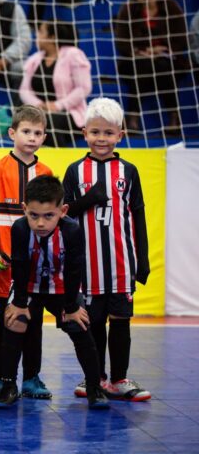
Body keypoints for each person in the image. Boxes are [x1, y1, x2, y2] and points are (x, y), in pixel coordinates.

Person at [0, 175, 109, 409]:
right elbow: (20, 266)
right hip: (28, 286)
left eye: (48, 216)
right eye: (34, 215)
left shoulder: (72, 231)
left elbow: (75, 269)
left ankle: (95, 386)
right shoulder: (20, 229)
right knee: (15, 321)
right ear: (24, 209)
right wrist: (20, 303)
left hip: (62, 287)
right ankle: (8, 384)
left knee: (80, 325)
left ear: (63, 211)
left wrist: (73, 308)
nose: (40, 223)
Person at [63, 98, 151, 402]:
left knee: (121, 321)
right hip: (88, 267)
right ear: (84, 132)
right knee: (94, 322)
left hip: (121, 263)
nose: (102, 139)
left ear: (120, 135)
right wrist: (89, 199)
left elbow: (137, 214)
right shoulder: (75, 171)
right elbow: (64, 212)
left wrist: (143, 259)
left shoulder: (129, 171)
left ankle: (119, 378)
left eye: (109, 133)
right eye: (96, 132)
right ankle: (95, 377)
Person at [0, 105, 53, 400]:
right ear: (12, 133)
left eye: (37, 133)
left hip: (36, 262)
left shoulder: (45, 172)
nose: (31, 137)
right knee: (4, 319)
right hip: (4, 260)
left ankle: (32, 377)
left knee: (34, 319)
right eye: (26, 131)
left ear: (44, 137)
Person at [114, 0, 190, 132]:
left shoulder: (171, 8)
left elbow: (181, 40)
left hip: (166, 59)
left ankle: (173, 118)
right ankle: (133, 119)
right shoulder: (129, 9)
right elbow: (121, 42)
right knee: (143, 66)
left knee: (162, 67)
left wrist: (161, 50)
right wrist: (140, 52)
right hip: (136, 59)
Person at [19, 20, 92, 147]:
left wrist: (57, 105)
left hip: (70, 114)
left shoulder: (73, 54)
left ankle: (61, 161)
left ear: (52, 37)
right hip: (39, 112)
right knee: (25, 121)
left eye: (41, 32)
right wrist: (38, 105)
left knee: (49, 122)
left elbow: (84, 88)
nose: (37, 35)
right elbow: (24, 90)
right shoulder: (35, 59)